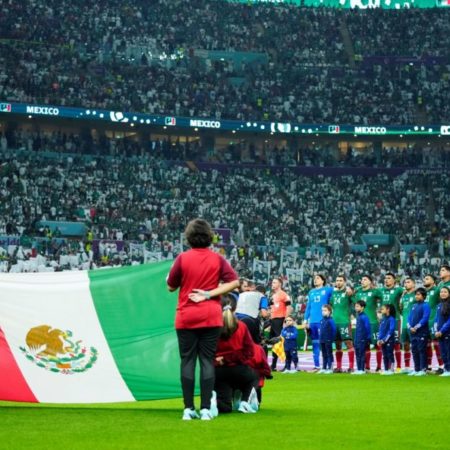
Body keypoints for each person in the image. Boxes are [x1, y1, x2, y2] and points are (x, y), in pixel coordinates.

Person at [167, 218, 240, 421]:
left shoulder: (182, 258)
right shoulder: (217, 259)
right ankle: (206, 408)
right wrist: (209, 294)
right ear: (209, 237)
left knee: (187, 361)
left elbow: (170, 286)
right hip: (210, 315)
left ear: (189, 237)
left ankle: (188, 408)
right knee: (207, 361)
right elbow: (234, 282)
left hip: (186, 315)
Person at [214, 294, 260, 414]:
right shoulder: (242, 326)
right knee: (254, 377)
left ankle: (214, 400)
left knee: (225, 407)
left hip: (217, 372)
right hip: (238, 369)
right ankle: (245, 402)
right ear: (235, 308)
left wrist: (219, 360)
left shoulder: (213, 327)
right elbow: (249, 352)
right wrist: (229, 358)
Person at [351, 275, 382, 372]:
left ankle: (379, 367)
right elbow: (353, 301)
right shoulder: (358, 293)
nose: (362, 281)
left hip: (373, 322)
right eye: (362, 279)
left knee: (378, 345)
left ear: (370, 282)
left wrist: (380, 311)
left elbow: (383, 298)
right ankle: (367, 367)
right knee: (365, 346)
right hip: (361, 323)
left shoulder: (375, 291)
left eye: (365, 279)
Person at [304, 274, 334, 372]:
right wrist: (305, 320)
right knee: (315, 344)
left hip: (323, 321)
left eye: (318, 278)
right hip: (312, 322)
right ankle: (317, 366)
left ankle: (329, 366)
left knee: (325, 344)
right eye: (314, 279)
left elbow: (337, 294)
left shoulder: (328, 290)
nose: (315, 280)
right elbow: (308, 306)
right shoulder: (311, 292)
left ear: (323, 281)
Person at [330, 274, 354, 373]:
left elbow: (355, 301)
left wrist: (351, 293)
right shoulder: (333, 293)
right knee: (338, 345)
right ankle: (339, 367)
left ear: (344, 282)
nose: (338, 282)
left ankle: (351, 367)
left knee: (348, 343)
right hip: (335, 322)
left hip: (344, 322)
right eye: (337, 280)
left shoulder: (347, 292)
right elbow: (331, 305)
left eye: (340, 280)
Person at [380, 272, 404, 372]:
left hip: (395, 319)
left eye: (389, 278)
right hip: (383, 320)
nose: (386, 280)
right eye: (385, 278)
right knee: (383, 344)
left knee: (396, 343)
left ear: (394, 280)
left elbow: (408, 291)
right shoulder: (380, 290)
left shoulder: (398, 289)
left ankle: (398, 367)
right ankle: (386, 367)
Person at [236, 278, 269, 343]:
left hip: (235, 319)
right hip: (250, 321)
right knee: (254, 342)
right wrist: (269, 314)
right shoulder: (262, 297)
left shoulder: (239, 295)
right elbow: (264, 314)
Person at [423, 274, 444, 373]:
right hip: (424, 321)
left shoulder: (436, 290)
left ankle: (442, 365)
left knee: (436, 343)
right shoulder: (423, 293)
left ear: (433, 281)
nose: (424, 280)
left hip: (433, 320)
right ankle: (429, 366)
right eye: (424, 278)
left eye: (427, 279)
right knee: (426, 344)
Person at [269, 277, 292, 371]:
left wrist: (285, 320)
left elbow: (289, 307)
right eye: (272, 282)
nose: (272, 284)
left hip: (280, 320)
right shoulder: (273, 296)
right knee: (275, 343)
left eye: (274, 282)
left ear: (279, 284)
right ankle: (273, 365)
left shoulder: (284, 295)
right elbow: (271, 309)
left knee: (282, 343)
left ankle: (287, 365)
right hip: (273, 321)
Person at [408, 287, 430, 376]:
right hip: (413, 332)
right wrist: (410, 326)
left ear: (423, 296)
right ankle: (416, 369)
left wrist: (416, 327)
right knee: (414, 350)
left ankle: (423, 369)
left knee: (422, 350)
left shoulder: (425, 305)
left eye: (418, 294)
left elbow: (425, 318)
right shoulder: (414, 306)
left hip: (421, 331)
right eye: (416, 294)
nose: (416, 296)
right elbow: (409, 317)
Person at [399, 278, 416, 373]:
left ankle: (417, 367)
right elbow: (401, 308)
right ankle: (407, 367)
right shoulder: (404, 296)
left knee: (415, 345)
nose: (406, 283)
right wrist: (402, 296)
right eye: (405, 282)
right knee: (405, 345)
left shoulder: (416, 295)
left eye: (408, 282)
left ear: (414, 284)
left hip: (413, 324)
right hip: (404, 324)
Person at [352, 300, 371, 375]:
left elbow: (367, 328)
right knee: (357, 354)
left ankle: (362, 369)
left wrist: (368, 338)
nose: (356, 308)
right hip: (357, 339)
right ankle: (359, 369)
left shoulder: (364, 317)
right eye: (355, 306)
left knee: (361, 354)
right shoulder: (359, 316)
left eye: (357, 306)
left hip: (362, 339)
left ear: (362, 307)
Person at [434, 286, 450, 377]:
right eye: (441, 292)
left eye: (445, 292)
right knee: (443, 352)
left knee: (448, 351)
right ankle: (446, 369)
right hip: (439, 333)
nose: (443, 293)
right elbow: (436, 319)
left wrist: (442, 330)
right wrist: (436, 330)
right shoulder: (439, 305)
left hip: (447, 332)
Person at [377, 304, 396, 375]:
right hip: (382, 340)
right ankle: (386, 369)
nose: (381, 310)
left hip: (389, 340)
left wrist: (385, 339)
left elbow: (391, 330)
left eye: (383, 309)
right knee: (384, 355)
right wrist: (379, 339)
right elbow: (380, 330)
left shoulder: (392, 319)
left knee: (390, 354)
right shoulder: (383, 319)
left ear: (388, 310)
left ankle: (391, 370)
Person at [319, 304, 336, 374]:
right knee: (324, 354)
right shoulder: (322, 320)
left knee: (329, 353)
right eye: (322, 310)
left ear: (329, 311)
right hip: (322, 339)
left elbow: (334, 330)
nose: (323, 312)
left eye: (325, 310)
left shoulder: (330, 320)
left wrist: (331, 338)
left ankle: (330, 368)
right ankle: (324, 367)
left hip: (328, 339)